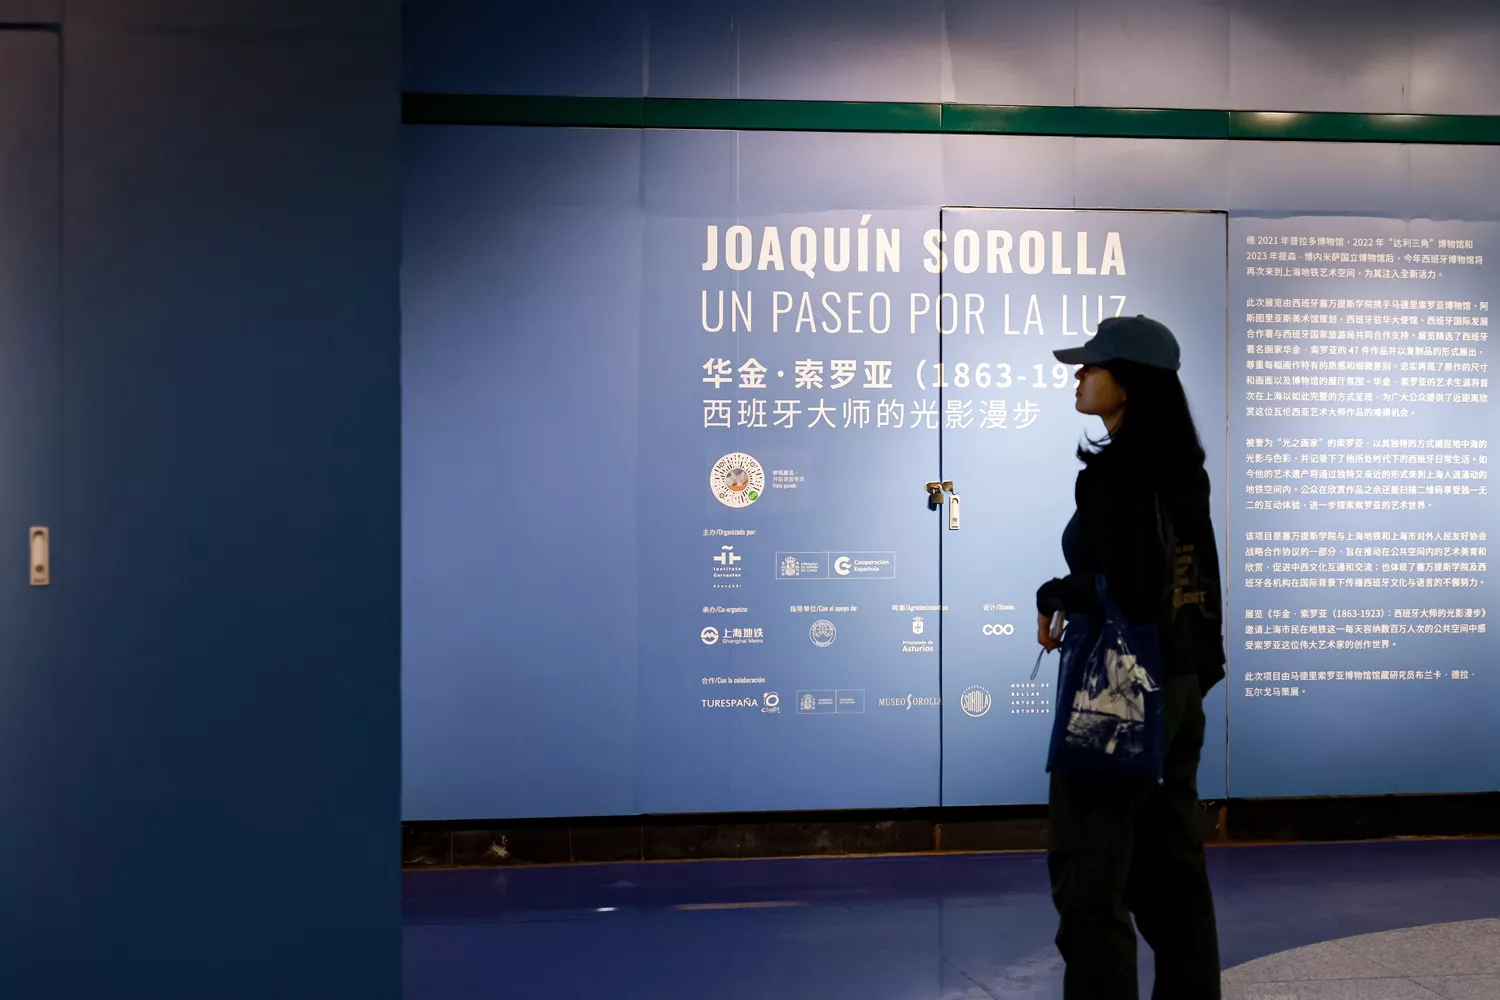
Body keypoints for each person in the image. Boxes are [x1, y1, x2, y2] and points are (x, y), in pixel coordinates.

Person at [1035, 314, 1226, 1000]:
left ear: (1130, 381)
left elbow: (1131, 589)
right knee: (1171, 876)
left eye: (1092, 366)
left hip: (1117, 697)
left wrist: (1057, 589)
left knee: (1089, 879)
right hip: (1179, 685)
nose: (1079, 377)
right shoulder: (1181, 470)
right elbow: (1192, 587)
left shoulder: (1117, 475)